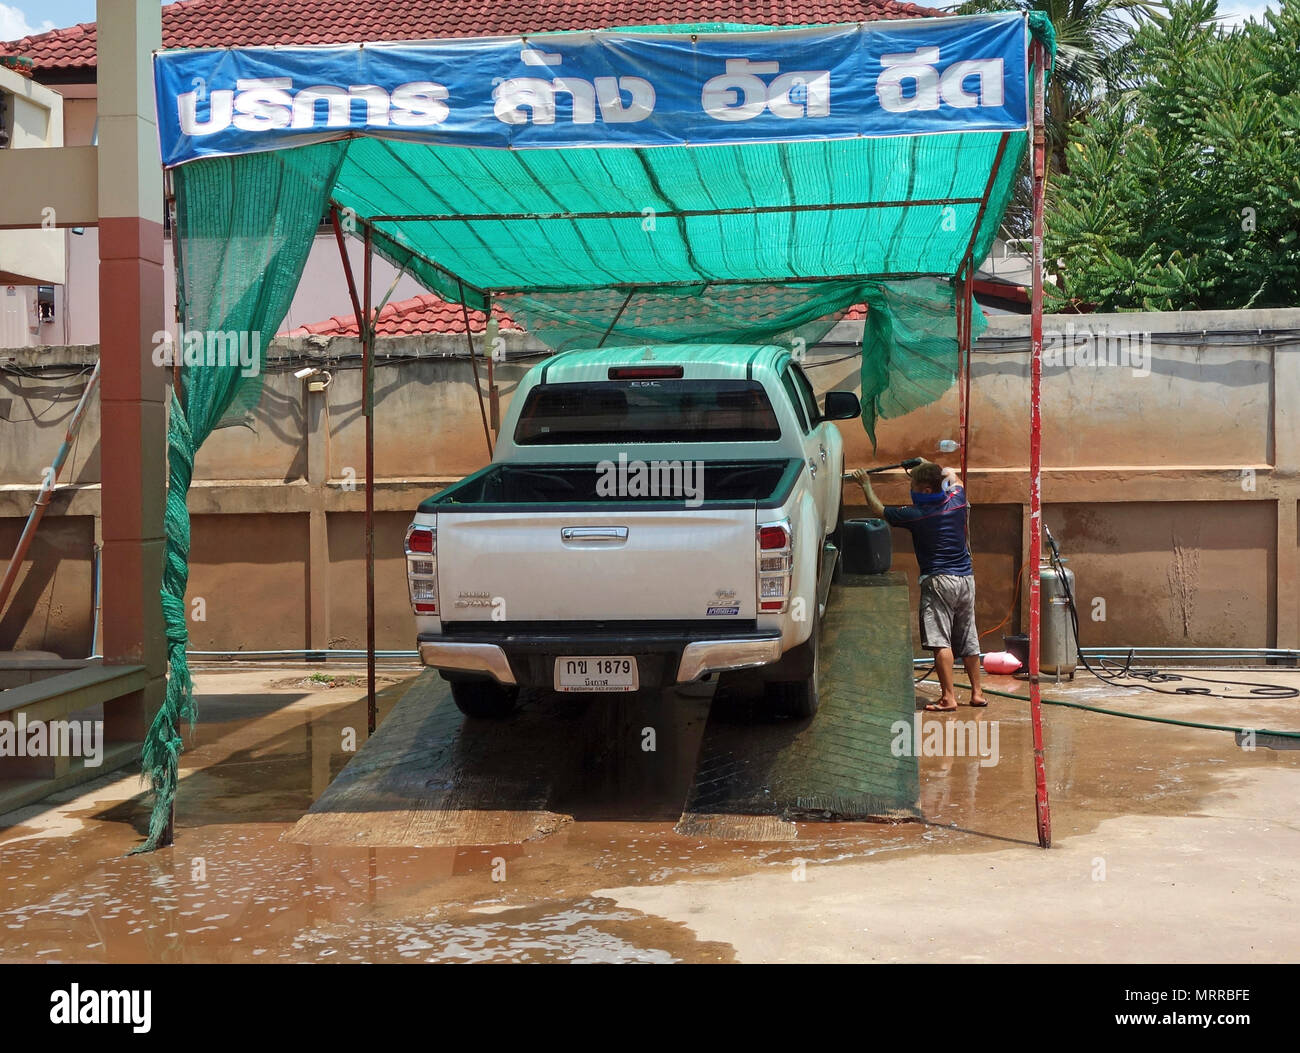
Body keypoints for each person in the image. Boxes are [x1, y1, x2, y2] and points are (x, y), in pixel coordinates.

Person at [852, 461, 987, 712]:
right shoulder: (957, 500)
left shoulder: (916, 514)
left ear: (925, 490)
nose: (910, 489)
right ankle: (977, 693)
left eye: (913, 485)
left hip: (938, 581)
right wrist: (927, 464)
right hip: (966, 579)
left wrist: (865, 484)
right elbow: (952, 476)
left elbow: (879, 510)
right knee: (968, 636)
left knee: (940, 641)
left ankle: (948, 697)